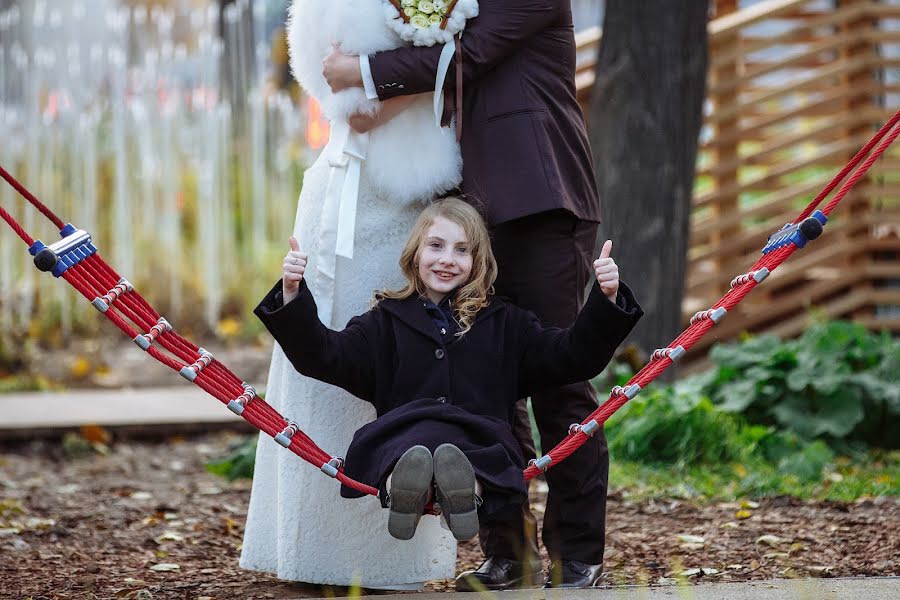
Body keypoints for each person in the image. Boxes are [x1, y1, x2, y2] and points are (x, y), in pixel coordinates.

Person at [323, 0, 610, 590]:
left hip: (538, 198)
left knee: (557, 386)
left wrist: (362, 72)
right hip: (471, 211)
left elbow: (468, 56)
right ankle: (511, 554)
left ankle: (578, 551)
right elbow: (448, 77)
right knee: (485, 388)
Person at [255, 199, 642, 578]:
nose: (446, 259)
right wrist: (293, 293)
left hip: (477, 436)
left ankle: (459, 488)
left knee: (473, 456)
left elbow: (570, 357)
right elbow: (324, 356)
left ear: (479, 262)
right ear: (415, 252)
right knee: (408, 448)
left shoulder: (505, 324)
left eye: (462, 250)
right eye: (436, 246)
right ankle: (409, 484)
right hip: (406, 432)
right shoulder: (384, 321)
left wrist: (604, 300)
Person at [239, 0, 463, 589]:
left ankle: (392, 550)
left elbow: (453, 63)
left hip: (415, 200)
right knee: (335, 359)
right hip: (356, 196)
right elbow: (352, 105)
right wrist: (429, 66)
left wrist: (423, 62)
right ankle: (316, 547)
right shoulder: (331, 6)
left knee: (409, 363)